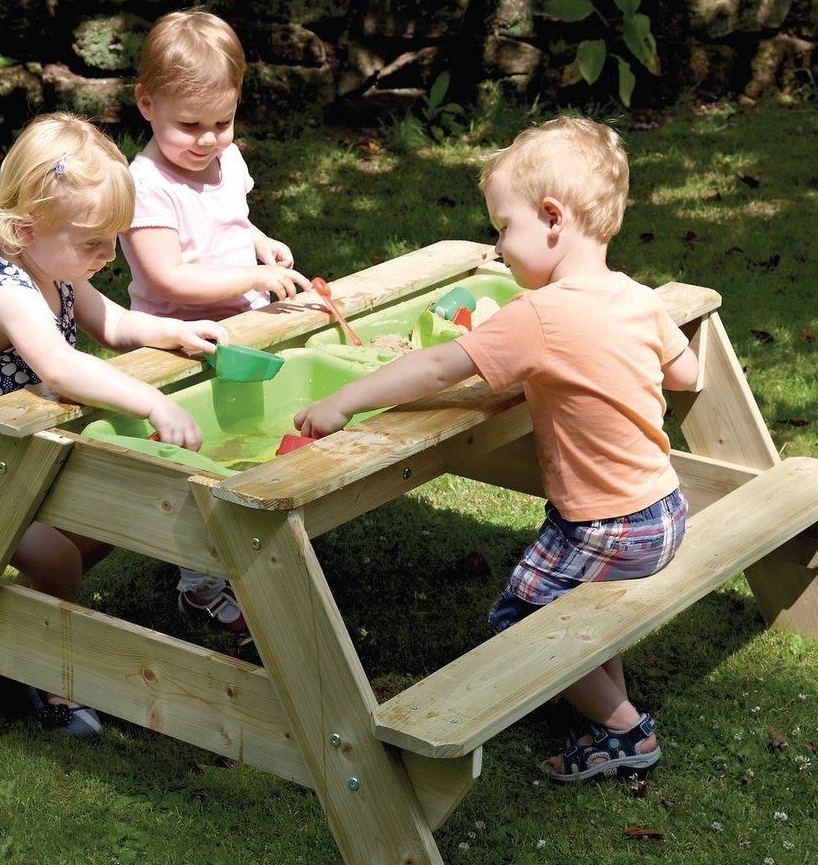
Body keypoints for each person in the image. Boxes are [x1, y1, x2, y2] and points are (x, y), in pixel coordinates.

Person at [295, 115, 700, 782]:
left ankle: (626, 732)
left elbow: (435, 368)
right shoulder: (634, 296)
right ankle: (602, 701)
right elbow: (686, 376)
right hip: (661, 509)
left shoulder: (537, 316)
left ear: (551, 219)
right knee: (579, 601)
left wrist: (345, 400)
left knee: (522, 617)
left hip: (607, 525)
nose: (499, 244)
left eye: (503, 227)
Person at [0, 111, 229, 734]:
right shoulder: (8, 293)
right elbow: (63, 367)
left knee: (102, 525)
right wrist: (152, 402)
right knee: (59, 557)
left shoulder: (59, 273)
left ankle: (13, 624)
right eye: (93, 242)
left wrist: (175, 331)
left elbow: (118, 326)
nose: (108, 256)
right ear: (25, 229)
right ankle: (46, 678)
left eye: (114, 240)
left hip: (11, 456)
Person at [120, 9, 309, 639]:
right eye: (190, 126)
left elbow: (229, 221)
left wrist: (260, 242)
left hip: (238, 332)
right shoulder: (145, 186)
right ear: (147, 104)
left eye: (222, 123)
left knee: (246, 444)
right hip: (177, 346)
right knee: (192, 465)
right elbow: (170, 278)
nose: (206, 140)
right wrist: (255, 281)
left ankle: (248, 552)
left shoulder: (226, 163)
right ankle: (199, 585)